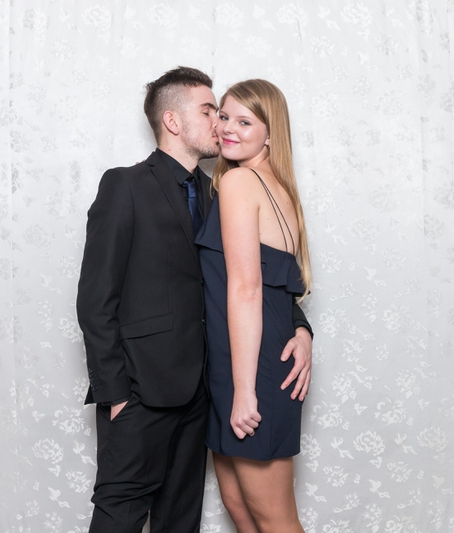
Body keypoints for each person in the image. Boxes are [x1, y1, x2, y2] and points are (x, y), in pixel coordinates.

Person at [75, 67, 313, 533]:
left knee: (181, 521)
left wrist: (301, 327)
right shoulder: (125, 185)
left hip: (204, 391)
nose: (220, 124)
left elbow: (255, 276)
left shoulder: (219, 189)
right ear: (173, 121)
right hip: (142, 391)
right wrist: (115, 394)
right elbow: (95, 300)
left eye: (230, 116)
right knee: (120, 517)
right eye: (211, 112)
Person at [195, 79, 312, 533]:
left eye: (245, 122)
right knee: (241, 509)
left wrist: (245, 391)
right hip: (242, 360)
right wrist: (303, 331)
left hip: (252, 368)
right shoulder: (277, 187)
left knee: (274, 519)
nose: (228, 128)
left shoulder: (240, 181)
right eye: (224, 116)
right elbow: (280, 289)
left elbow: (246, 289)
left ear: (269, 134)